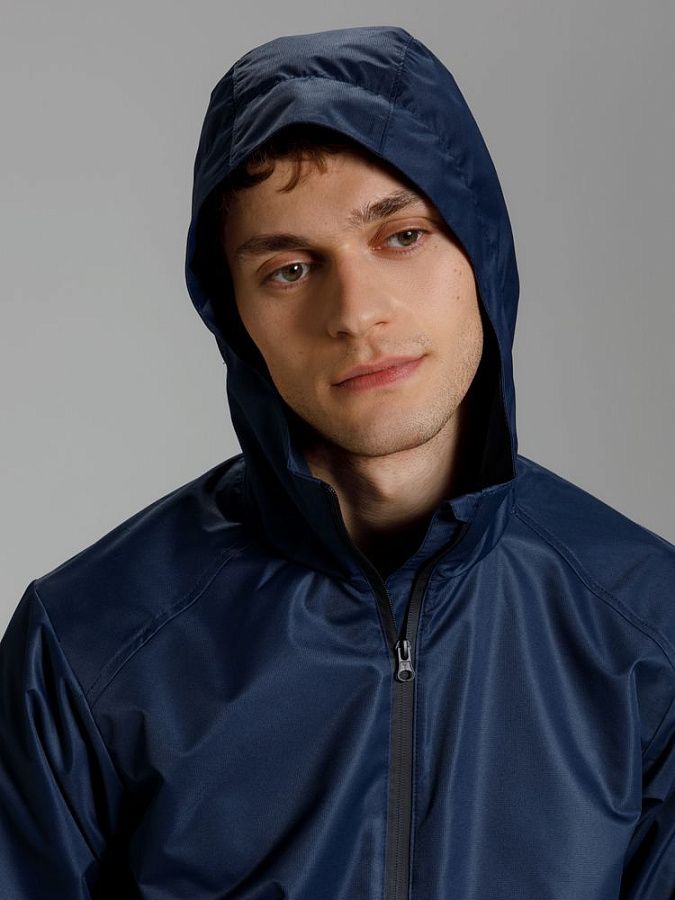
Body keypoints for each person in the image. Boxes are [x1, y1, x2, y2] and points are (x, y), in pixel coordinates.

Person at [0, 24, 673, 900]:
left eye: (402, 236)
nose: (355, 312)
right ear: (235, 317)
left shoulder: (649, 627)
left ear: (481, 253)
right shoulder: (89, 641)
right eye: (289, 269)